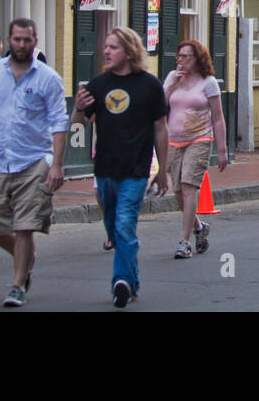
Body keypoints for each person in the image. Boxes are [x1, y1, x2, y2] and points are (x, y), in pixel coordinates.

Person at [0, 19, 67, 308]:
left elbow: (59, 122)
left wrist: (57, 165)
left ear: (35, 41)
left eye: (27, 40)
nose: (22, 45)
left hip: (35, 160)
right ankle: (26, 260)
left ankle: (18, 283)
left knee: (25, 225)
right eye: (17, 39)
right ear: (8, 40)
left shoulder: (48, 78)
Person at [71, 26, 167, 308]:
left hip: (136, 170)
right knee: (114, 227)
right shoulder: (98, 85)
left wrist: (163, 169)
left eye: (113, 47)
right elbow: (79, 124)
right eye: (106, 46)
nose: (106, 51)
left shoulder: (150, 86)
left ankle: (120, 282)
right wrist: (77, 107)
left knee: (125, 223)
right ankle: (132, 277)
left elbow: (160, 128)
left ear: (129, 51)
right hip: (104, 169)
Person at [164, 40, 228, 257]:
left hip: (199, 139)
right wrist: (171, 84)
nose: (181, 60)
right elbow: (159, 107)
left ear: (197, 59)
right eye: (179, 56)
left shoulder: (208, 82)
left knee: (189, 186)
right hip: (173, 141)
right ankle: (199, 228)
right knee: (179, 193)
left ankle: (184, 242)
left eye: (186, 56)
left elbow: (218, 117)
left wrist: (222, 150)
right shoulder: (172, 79)